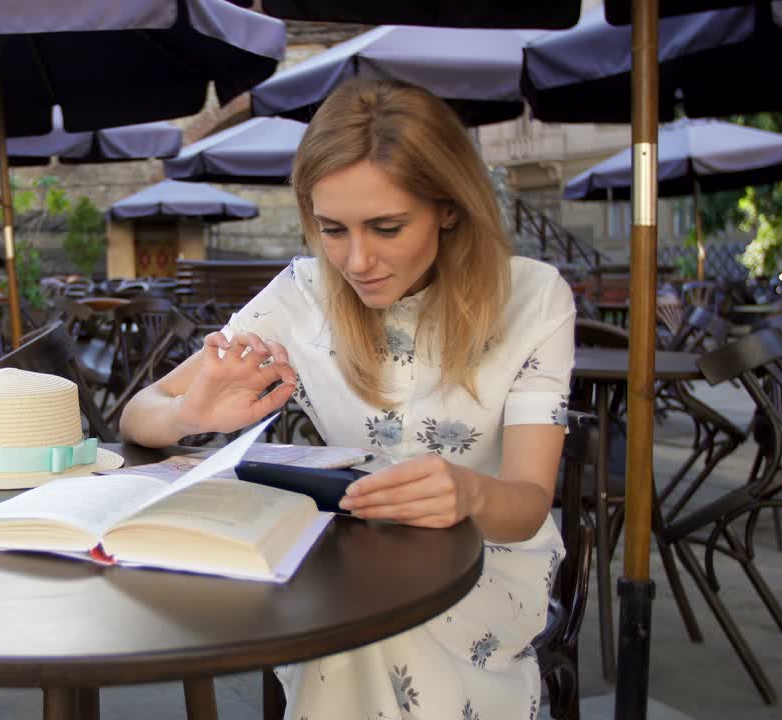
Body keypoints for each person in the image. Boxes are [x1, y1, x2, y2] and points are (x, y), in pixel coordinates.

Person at [120, 78, 574, 719]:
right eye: (332, 229)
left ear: (448, 206)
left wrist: (468, 492)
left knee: (364, 634)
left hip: (484, 562)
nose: (357, 261)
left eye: (387, 227)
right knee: (347, 627)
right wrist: (190, 413)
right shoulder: (302, 294)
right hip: (347, 559)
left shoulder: (534, 298)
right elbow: (138, 414)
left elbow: (527, 505)